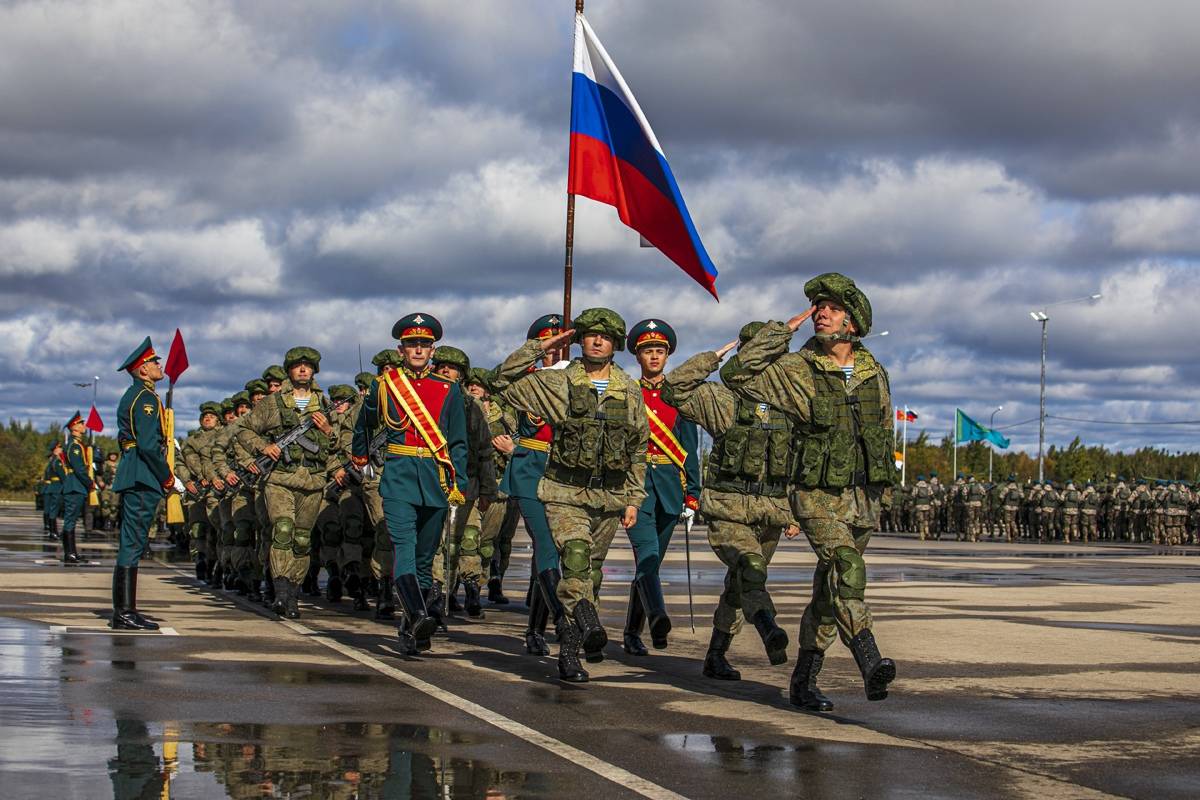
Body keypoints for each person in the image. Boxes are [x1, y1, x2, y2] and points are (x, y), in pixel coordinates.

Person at [722, 273, 897, 705]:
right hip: (815, 495)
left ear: (852, 323)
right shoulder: (796, 369)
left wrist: (883, 497)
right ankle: (869, 658)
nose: (822, 313)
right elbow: (736, 372)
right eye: (819, 307)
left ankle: (803, 680)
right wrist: (783, 330)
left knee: (828, 594)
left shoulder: (876, 374)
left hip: (861, 500)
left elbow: (884, 433)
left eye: (833, 308)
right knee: (848, 570)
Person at [492, 308, 649, 683]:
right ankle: (573, 644)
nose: (597, 341)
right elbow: (501, 380)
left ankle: (573, 645)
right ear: (580, 340)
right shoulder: (558, 384)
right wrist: (539, 347)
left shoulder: (629, 389)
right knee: (575, 562)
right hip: (564, 491)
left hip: (609, 496)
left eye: (605, 337)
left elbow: (639, 447)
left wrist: (634, 498)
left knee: (589, 575)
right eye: (591, 335)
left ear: (615, 345)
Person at [660, 321, 797, 681]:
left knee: (740, 583)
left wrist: (793, 510)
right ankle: (768, 627)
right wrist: (714, 356)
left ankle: (716, 654)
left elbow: (801, 461)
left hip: (770, 512)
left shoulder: (790, 404)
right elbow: (674, 388)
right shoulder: (723, 401)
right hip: (729, 508)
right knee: (751, 570)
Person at [351, 314, 469, 655]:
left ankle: (409, 629)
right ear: (401, 349)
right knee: (404, 547)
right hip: (399, 476)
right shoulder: (386, 385)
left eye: (424, 344)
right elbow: (365, 425)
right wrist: (360, 457)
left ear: (432, 350)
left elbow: (458, 442)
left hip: (435, 479)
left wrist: (456, 481)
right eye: (412, 344)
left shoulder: (449, 389)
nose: (418, 350)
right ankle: (418, 615)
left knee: (423, 558)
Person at [236, 347, 337, 619]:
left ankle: (293, 594)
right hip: (280, 478)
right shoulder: (271, 404)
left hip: (313, 481)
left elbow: (340, 444)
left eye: (308, 365)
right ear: (289, 370)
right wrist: (263, 447)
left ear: (314, 370)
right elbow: (243, 429)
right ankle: (280, 592)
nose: (303, 370)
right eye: (297, 366)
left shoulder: (325, 404)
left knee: (302, 540)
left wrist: (328, 430)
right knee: (282, 530)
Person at [621, 319, 701, 655]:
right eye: (647, 351)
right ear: (637, 357)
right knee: (647, 555)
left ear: (667, 356)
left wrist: (693, 493)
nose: (654, 357)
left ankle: (631, 633)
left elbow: (689, 447)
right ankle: (657, 618)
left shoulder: (678, 396)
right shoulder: (626, 393)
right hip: (636, 489)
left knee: (648, 565)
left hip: (670, 488)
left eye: (659, 351)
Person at [495, 314, 568, 657]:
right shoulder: (527, 382)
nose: (554, 352)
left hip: (567, 472)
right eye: (547, 345)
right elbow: (498, 397)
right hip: (530, 469)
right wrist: (514, 445)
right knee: (546, 545)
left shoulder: (579, 380)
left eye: (559, 343)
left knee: (556, 551)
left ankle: (537, 627)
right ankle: (557, 623)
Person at [111, 337, 175, 630]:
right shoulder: (146, 398)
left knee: (133, 539)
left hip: (136, 471)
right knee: (133, 541)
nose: (159, 365)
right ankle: (124, 611)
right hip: (142, 474)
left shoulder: (136, 395)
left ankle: (126, 610)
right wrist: (166, 475)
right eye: (154, 362)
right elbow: (149, 445)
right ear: (142, 369)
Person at [430, 345, 497, 618]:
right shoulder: (425, 401)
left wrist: (488, 489)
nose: (446, 371)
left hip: (466, 483)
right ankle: (437, 592)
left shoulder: (473, 406)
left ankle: (471, 589)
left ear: (461, 374)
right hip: (433, 483)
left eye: (453, 368)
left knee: (468, 539)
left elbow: (484, 450)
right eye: (441, 366)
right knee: (439, 543)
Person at [60, 411, 92, 564]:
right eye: (81, 423)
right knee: (70, 520)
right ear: (74, 427)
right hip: (75, 485)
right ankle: (69, 553)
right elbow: (79, 468)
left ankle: (72, 552)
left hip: (76, 485)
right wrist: (90, 483)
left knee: (72, 520)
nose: (84, 426)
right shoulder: (74, 446)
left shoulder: (77, 444)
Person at [42, 443, 66, 540]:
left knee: (52, 509)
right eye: (60, 447)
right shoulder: (57, 461)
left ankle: (53, 531)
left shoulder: (52, 460)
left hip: (53, 486)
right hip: (57, 487)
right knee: (54, 510)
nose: (61, 449)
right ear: (55, 449)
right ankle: (53, 532)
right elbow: (62, 476)